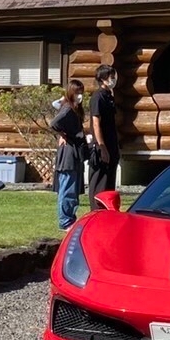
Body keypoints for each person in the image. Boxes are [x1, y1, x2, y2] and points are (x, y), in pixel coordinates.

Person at [50, 85, 86, 229]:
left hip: (75, 152)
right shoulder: (68, 109)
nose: (80, 95)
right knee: (67, 188)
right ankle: (65, 221)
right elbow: (54, 123)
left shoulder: (74, 109)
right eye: (77, 92)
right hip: (68, 153)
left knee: (73, 189)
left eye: (81, 92)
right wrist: (62, 134)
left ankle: (70, 217)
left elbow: (55, 104)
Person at [87, 65, 120, 195]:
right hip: (101, 145)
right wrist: (102, 147)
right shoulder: (98, 97)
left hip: (112, 144)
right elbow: (96, 124)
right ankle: (97, 207)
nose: (113, 79)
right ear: (102, 79)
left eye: (114, 76)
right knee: (100, 182)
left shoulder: (109, 96)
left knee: (109, 182)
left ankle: (107, 207)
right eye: (111, 77)